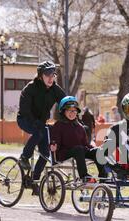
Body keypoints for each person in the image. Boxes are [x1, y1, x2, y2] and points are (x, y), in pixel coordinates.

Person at [17, 61, 66, 195]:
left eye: (53, 75)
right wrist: (34, 122)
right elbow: (24, 109)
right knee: (38, 134)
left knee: (45, 154)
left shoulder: (55, 89)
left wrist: (75, 120)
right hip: (25, 119)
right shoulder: (30, 88)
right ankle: (24, 157)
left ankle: (34, 182)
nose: (51, 78)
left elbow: (66, 102)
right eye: (48, 75)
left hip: (41, 123)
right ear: (40, 76)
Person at [50, 96, 102, 182]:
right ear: (63, 111)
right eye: (69, 110)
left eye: (74, 110)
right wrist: (53, 145)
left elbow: (85, 144)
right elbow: (54, 140)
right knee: (79, 149)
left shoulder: (79, 126)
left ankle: (103, 177)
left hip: (79, 152)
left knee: (98, 151)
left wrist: (94, 149)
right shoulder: (59, 125)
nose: (72, 113)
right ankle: (84, 176)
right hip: (64, 153)